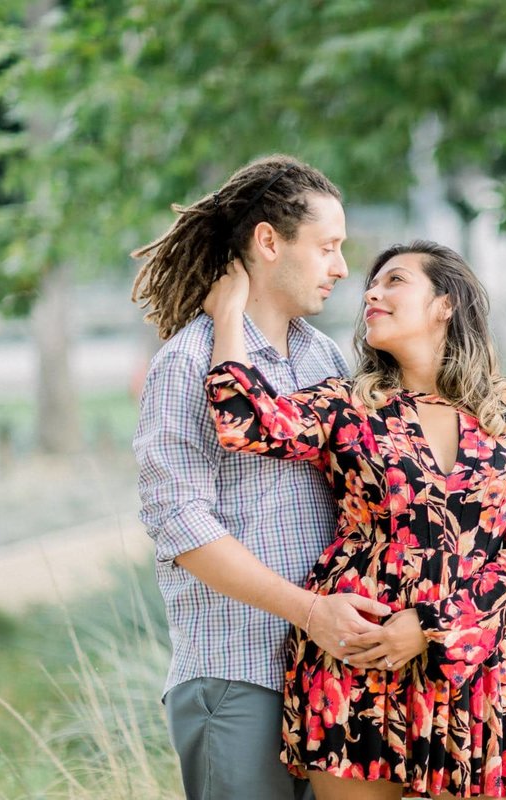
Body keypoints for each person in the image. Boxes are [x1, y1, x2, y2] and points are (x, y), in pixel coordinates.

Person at [202, 240, 506, 799]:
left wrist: (434, 626)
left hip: (464, 668)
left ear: (446, 303)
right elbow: (246, 421)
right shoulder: (349, 405)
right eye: (372, 282)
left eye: (395, 280)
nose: (371, 291)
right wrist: (228, 312)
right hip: (353, 658)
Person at [132, 155, 395, 800]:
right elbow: (180, 525)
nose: (341, 268)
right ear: (269, 242)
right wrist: (311, 612)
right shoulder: (187, 361)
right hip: (238, 676)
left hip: (330, 678)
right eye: (328, 247)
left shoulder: (323, 356)